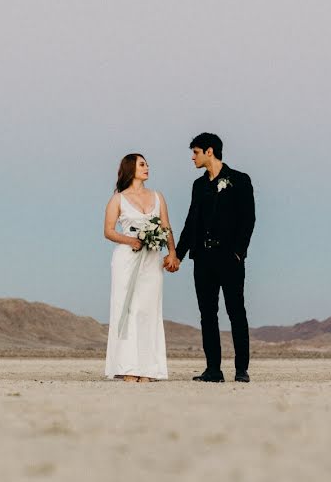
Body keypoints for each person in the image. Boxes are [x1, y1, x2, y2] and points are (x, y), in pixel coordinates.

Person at [164, 133, 255, 383]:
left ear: (209, 151)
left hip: (230, 259)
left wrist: (238, 253)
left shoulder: (240, 180)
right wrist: (178, 255)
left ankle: (241, 369)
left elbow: (248, 220)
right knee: (207, 314)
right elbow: (191, 222)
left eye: (195, 152)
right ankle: (213, 369)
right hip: (202, 259)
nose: (192, 157)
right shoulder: (198, 185)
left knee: (236, 311)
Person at [103, 153, 177, 382]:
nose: (147, 167)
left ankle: (148, 369)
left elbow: (166, 227)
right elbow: (109, 231)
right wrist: (131, 241)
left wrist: (172, 253)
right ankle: (128, 367)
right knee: (128, 309)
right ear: (130, 168)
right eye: (142, 164)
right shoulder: (118, 199)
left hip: (152, 259)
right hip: (127, 258)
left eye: (147, 164)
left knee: (148, 310)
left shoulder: (157, 196)